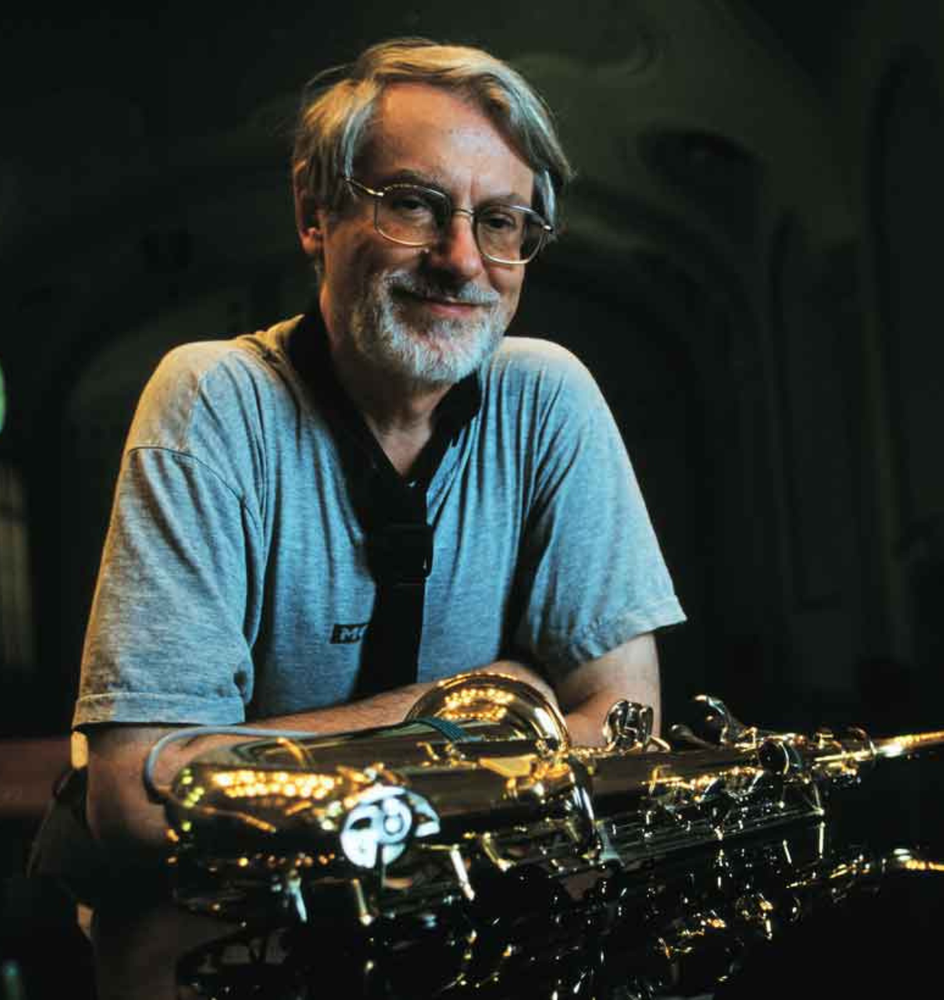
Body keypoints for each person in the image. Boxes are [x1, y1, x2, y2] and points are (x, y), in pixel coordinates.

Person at [72, 38, 686, 860]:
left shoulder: (547, 398)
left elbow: (625, 736)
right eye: (413, 204)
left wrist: (239, 758)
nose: (462, 259)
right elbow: (136, 796)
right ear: (314, 213)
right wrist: (473, 706)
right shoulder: (214, 400)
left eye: (500, 221)